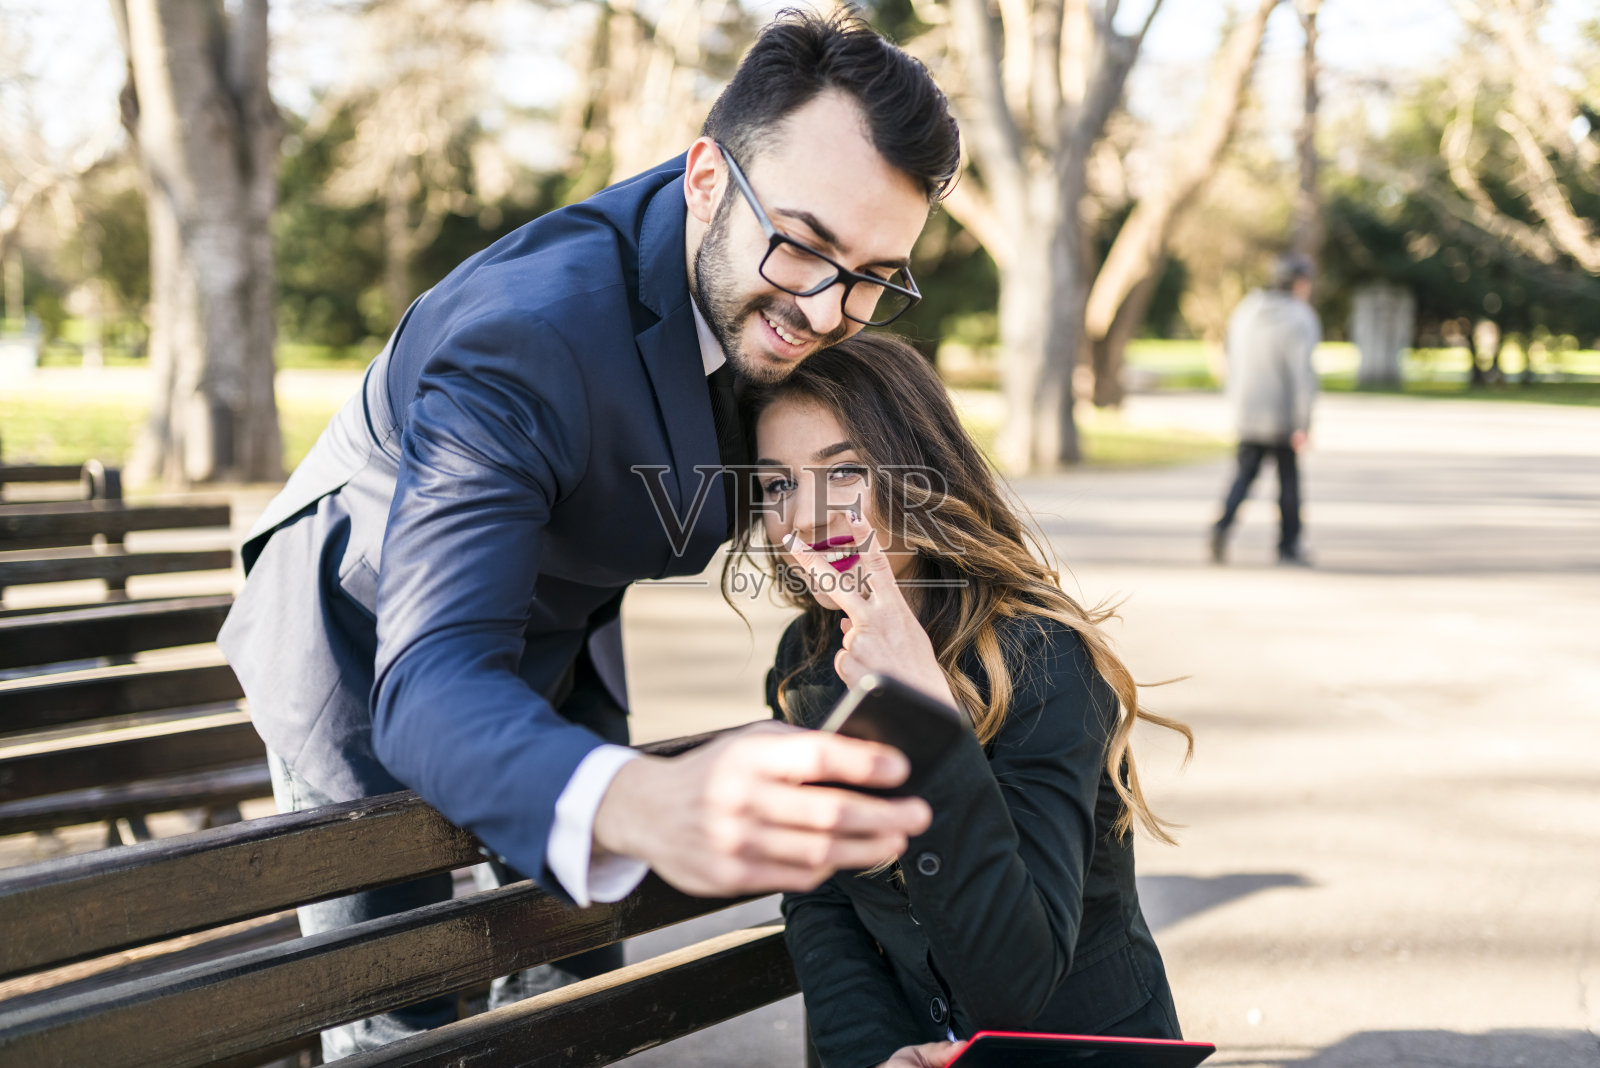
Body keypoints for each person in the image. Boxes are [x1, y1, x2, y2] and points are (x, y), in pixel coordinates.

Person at [216, 10, 960, 1058]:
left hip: (565, 625)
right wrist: (640, 799)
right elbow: (427, 683)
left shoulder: (768, 258)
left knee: (572, 974)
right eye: (805, 246)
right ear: (706, 179)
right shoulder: (524, 339)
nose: (830, 310)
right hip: (367, 634)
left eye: (876, 273)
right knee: (400, 1009)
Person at [735, 334, 1195, 1068]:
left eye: (844, 471)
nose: (806, 518)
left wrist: (925, 716)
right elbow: (820, 897)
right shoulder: (807, 662)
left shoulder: (1041, 655)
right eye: (778, 485)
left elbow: (1015, 985)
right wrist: (875, 1055)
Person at [1210, 252, 1321, 566]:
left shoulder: (1247, 310)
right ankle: (1289, 545)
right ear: (1299, 283)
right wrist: (1303, 423)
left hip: (1248, 412)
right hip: (1283, 416)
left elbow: (1230, 358)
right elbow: (1303, 375)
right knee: (1288, 481)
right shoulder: (1301, 317)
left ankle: (1221, 529)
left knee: (1244, 475)